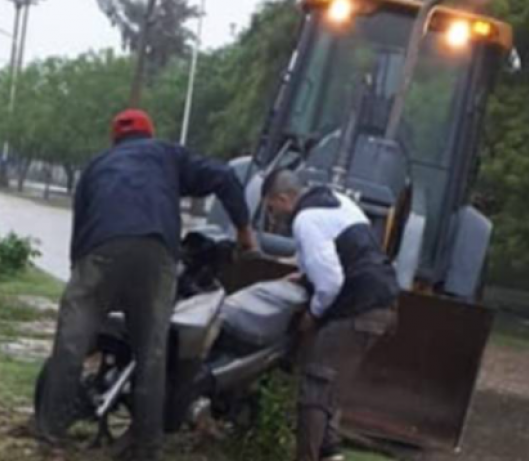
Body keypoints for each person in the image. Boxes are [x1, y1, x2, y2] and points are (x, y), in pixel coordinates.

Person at [35, 109, 254, 460]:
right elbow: (225, 176)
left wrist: (83, 279)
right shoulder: (167, 155)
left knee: (70, 346)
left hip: (98, 252)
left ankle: (50, 437)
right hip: (156, 253)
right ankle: (148, 446)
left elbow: (80, 229)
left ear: (115, 140)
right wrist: (244, 231)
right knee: (151, 353)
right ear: (149, 134)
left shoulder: (96, 166)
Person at [262, 169, 399, 461]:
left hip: (358, 305)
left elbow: (330, 282)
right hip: (382, 302)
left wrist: (313, 313)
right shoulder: (337, 201)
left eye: (271, 208)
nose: (273, 216)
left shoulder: (305, 219)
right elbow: (345, 251)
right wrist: (303, 273)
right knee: (330, 385)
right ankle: (331, 453)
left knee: (316, 386)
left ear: (283, 198)